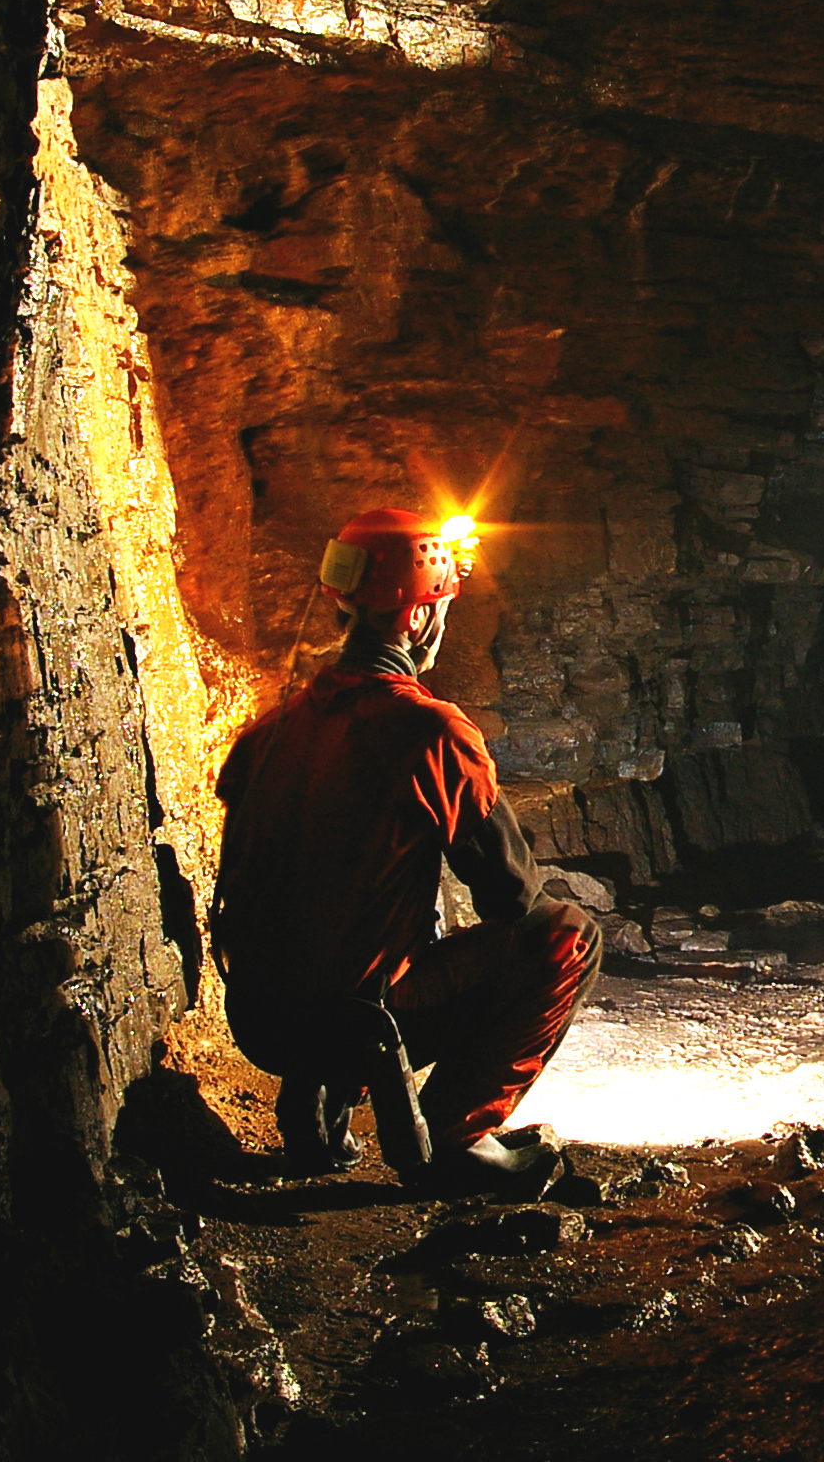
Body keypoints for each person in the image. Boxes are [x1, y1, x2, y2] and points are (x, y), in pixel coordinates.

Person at [210, 507, 601, 1199]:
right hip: (357, 1025)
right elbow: (511, 897)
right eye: (438, 606)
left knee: (345, 933)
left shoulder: (268, 731)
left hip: (260, 1021)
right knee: (567, 936)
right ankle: (457, 1134)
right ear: (419, 619)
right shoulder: (428, 732)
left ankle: (315, 1110)